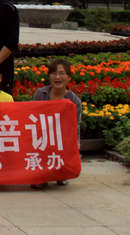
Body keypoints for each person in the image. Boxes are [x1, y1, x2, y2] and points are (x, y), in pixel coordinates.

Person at [32, 59, 82, 188]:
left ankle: (61, 172)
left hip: (62, 141)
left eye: (62, 73)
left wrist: (76, 152)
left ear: (69, 77)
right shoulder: (41, 94)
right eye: (53, 73)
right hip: (42, 139)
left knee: (61, 177)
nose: (57, 77)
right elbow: (34, 122)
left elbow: (74, 129)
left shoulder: (74, 101)